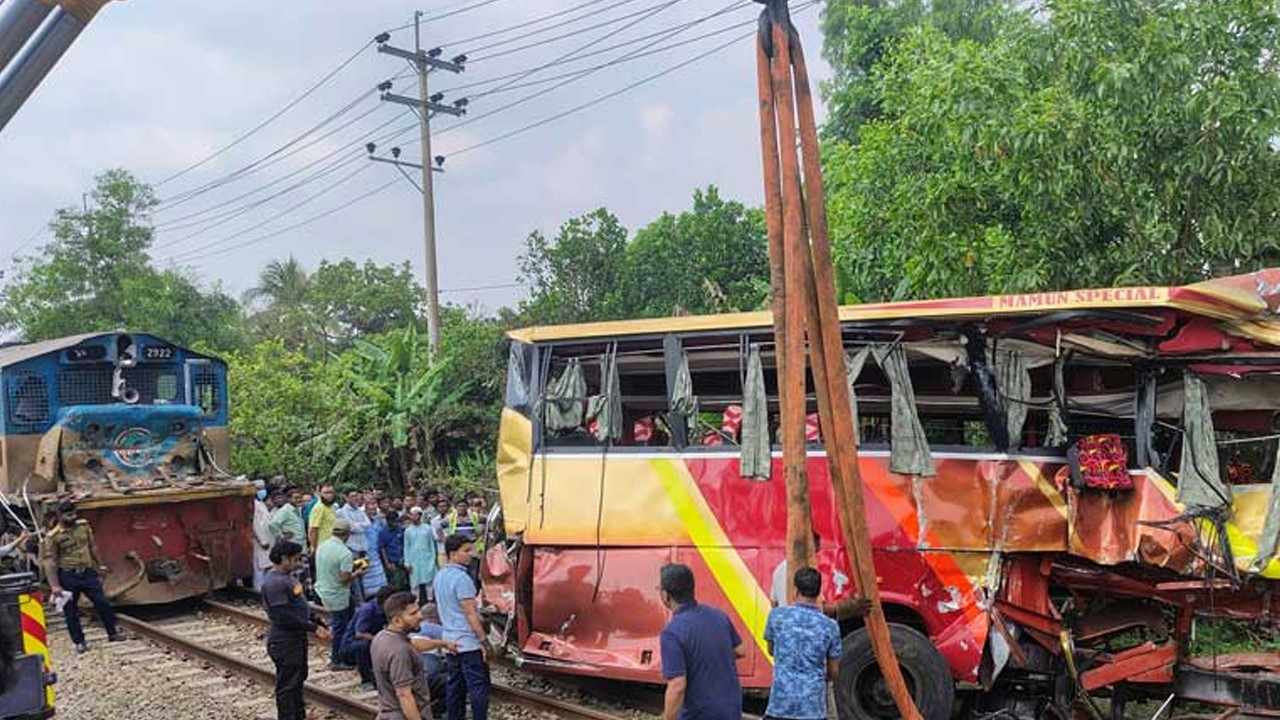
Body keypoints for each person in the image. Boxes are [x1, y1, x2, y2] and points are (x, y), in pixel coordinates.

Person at [658, 563, 743, 720]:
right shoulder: (719, 616)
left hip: (699, 714)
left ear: (665, 595)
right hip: (732, 711)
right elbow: (740, 650)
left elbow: (677, 685)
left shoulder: (671, 633)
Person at [40, 500, 124, 653]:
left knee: (102, 603)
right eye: (68, 515)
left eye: (74, 514)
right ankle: (79, 642)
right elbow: (50, 562)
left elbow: (92, 546)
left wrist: (100, 564)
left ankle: (112, 633)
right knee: (70, 611)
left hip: (87, 572)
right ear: (59, 515)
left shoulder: (83, 526)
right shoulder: (53, 537)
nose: (72, 517)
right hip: (68, 575)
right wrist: (55, 585)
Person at [261, 540, 330, 720]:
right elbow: (283, 615)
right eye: (296, 559)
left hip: (294, 639)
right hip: (285, 642)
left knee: (297, 680)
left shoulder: (287, 578)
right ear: (284, 559)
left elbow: (298, 606)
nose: (299, 563)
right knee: (288, 685)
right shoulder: (275, 583)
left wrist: (315, 619)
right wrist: (313, 628)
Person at [763, 567, 842, 720]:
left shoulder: (776, 616)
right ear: (819, 593)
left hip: (780, 705)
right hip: (812, 709)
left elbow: (771, 650)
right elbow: (833, 671)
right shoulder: (830, 626)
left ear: (796, 591)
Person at [372, 591, 458, 720]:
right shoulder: (399, 652)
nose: (420, 616)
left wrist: (443, 643)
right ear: (397, 621)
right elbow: (404, 695)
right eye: (413, 614)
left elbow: (414, 644)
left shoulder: (382, 637)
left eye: (418, 610)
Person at [433, 534, 489, 720]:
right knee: (477, 685)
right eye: (466, 550)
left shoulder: (440, 576)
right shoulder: (462, 579)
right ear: (452, 554)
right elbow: (470, 613)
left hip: (449, 640)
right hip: (467, 641)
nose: (471, 554)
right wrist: (482, 639)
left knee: (455, 684)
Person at [314, 519, 364, 671]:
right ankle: (337, 660)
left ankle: (348, 655)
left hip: (323, 589)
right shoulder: (345, 553)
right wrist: (357, 573)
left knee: (346, 622)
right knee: (340, 628)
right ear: (347, 535)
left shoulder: (323, 546)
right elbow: (344, 578)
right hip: (338, 595)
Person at [340, 586, 396, 693]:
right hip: (351, 647)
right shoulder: (368, 610)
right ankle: (366, 681)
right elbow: (360, 633)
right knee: (363, 646)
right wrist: (381, 640)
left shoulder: (387, 610)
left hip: (371, 642)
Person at [403, 507, 438, 605]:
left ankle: (430, 602)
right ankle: (416, 603)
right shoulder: (408, 530)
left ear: (420, 515)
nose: (413, 517)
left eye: (416, 514)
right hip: (413, 560)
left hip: (427, 558)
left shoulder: (427, 528)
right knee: (414, 583)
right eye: (412, 514)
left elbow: (432, 544)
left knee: (429, 581)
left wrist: (433, 558)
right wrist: (407, 562)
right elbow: (406, 547)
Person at [269, 487, 309, 555]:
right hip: (291, 546)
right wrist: (282, 536)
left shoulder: (298, 509)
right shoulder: (285, 510)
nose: (299, 500)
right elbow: (272, 524)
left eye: (300, 497)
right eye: (296, 498)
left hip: (301, 544)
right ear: (289, 499)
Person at [252, 487, 275, 590]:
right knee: (259, 569)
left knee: (267, 567)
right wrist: (262, 541)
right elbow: (255, 524)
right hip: (261, 542)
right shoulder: (254, 504)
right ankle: (258, 590)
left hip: (268, 541)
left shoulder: (261, 504)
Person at [379, 511, 408, 592]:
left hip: (402, 560)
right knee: (396, 585)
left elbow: (403, 543)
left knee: (405, 583)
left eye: (396, 521)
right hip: (392, 562)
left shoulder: (400, 529)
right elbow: (383, 548)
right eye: (393, 521)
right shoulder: (382, 532)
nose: (395, 524)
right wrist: (387, 563)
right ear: (388, 521)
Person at [309, 484, 339, 551]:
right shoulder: (319, 507)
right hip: (322, 547)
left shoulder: (331, 507)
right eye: (326, 493)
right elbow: (313, 530)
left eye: (331, 492)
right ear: (320, 493)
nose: (329, 495)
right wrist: (314, 548)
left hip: (332, 545)